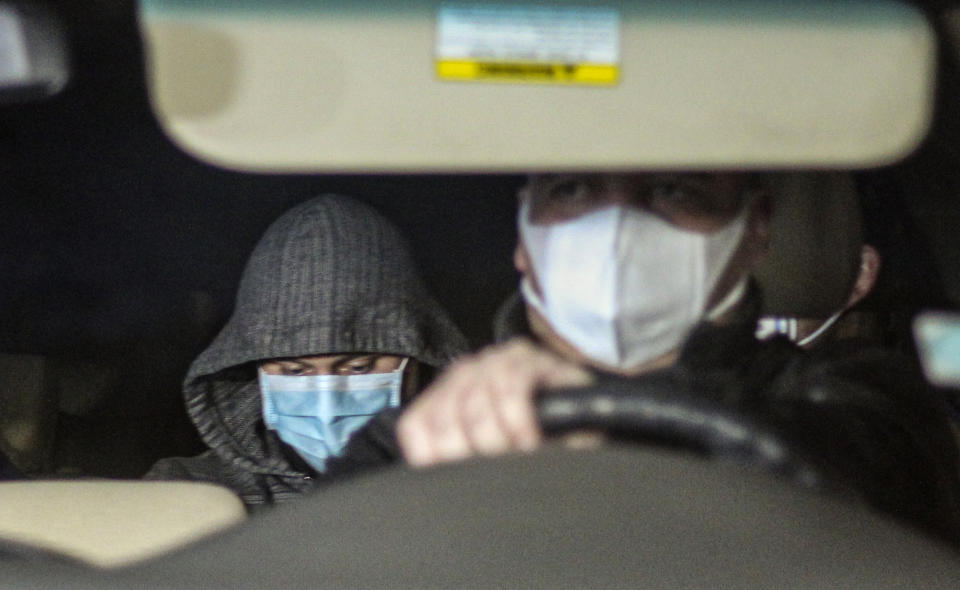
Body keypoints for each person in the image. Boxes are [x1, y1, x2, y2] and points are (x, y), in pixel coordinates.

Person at [396, 172, 960, 545]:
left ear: (755, 228)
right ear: (523, 234)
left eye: (674, 190)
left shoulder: (860, 402)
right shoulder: (429, 433)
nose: (618, 227)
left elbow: (883, 479)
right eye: (571, 189)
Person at [145, 195, 469, 509]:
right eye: (295, 371)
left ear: (418, 357)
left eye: (358, 367)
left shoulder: (473, 489)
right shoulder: (185, 493)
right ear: (255, 367)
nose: (327, 408)